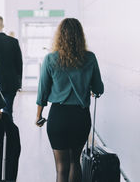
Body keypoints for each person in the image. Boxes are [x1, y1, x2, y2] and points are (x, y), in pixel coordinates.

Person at [35, 18, 104, 182]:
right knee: (75, 162)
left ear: (59, 36)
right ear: (80, 36)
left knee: (61, 168)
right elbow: (99, 89)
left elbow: (42, 92)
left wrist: (38, 116)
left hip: (58, 116)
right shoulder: (90, 58)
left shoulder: (50, 59)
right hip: (80, 116)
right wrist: (91, 89)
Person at [0, 15, 23, 121]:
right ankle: (9, 135)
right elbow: (19, 64)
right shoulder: (13, 42)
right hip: (11, 84)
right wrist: (19, 83)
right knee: (8, 112)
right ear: (3, 25)